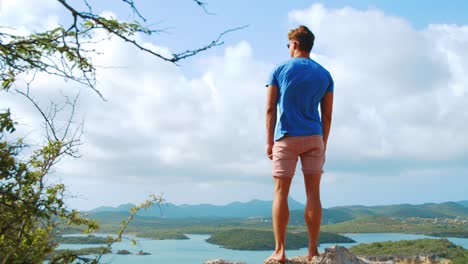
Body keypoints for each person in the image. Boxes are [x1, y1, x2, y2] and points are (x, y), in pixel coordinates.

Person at [264, 25, 334, 263]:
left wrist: (269, 142)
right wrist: (322, 143)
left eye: (288, 45)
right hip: (315, 137)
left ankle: (280, 251)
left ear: (294, 43)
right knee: (313, 192)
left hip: (287, 136)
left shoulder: (279, 69)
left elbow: (270, 109)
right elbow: (327, 116)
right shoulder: (325, 74)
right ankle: (313, 251)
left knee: (281, 192)